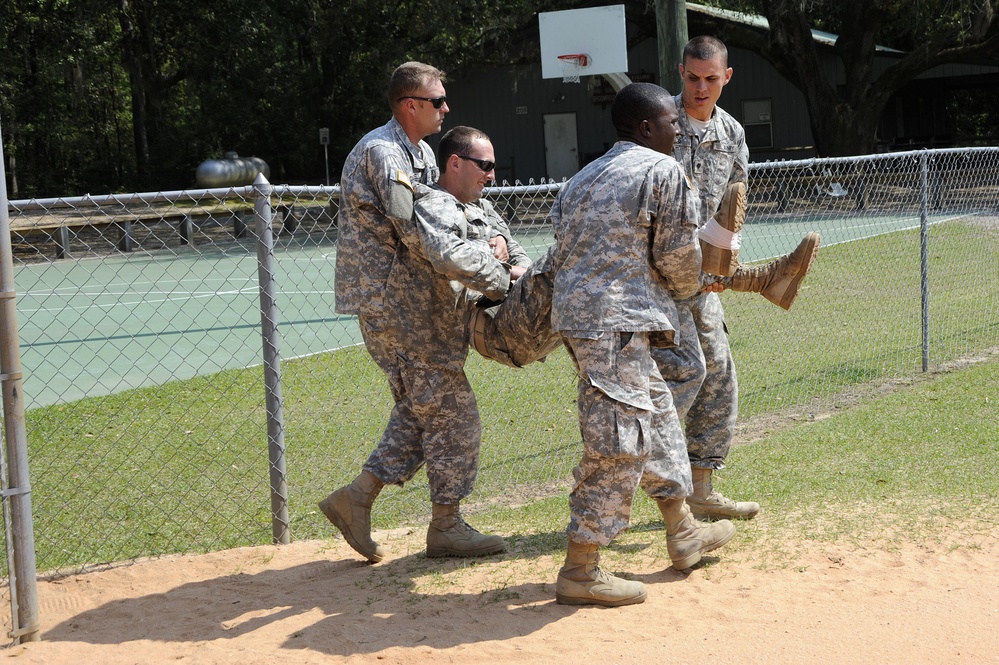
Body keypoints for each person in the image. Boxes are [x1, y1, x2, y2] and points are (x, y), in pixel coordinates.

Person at [550, 82, 735, 608]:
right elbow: (678, 259)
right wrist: (698, 284)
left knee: (655, 416)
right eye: (673, 122)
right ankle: (580, 568)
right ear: (646, 127)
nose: (680, 129)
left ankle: (683, 531)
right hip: (615, 324)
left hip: (590, 322)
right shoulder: (663, 171)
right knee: (618, 440)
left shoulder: (581, 178)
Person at [322, 62, 512, 562]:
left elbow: (450, 211)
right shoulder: (384, 154)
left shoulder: (422, 152)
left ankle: (357, 499)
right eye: (438, 101)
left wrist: (486, 239)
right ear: (411, 105)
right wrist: (490, 269)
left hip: (418, 302)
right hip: (391, 304)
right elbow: (419, 232)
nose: (446, 109)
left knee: (421, 407)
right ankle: (445, 525)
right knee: (451, 410)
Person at [655, 36, 821, 522]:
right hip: (657, 278)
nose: (700, 88)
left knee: (719, 375)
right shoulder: (660, 121)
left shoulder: (731, 133)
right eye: (692, 77)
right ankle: (631, 484)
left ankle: (701, 489)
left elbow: (734, 203)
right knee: (673, 382)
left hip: (704, 276)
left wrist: (725, 256)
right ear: (680, 72)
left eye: (711, 79)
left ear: (727, 78)